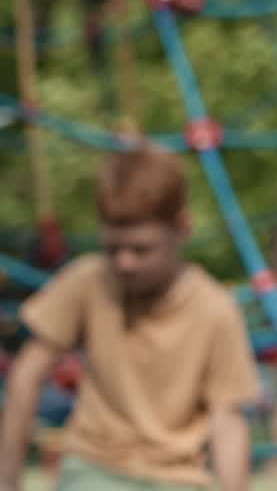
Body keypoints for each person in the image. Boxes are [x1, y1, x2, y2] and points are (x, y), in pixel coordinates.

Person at [0, 145, 260, 491]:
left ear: (182, 228)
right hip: (94, 467)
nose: (124, 263)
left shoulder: (215, 309)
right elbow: (26, 376)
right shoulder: (88, 281)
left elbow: (227, 421)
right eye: (113, 248)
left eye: (141, 249)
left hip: (177, 476)